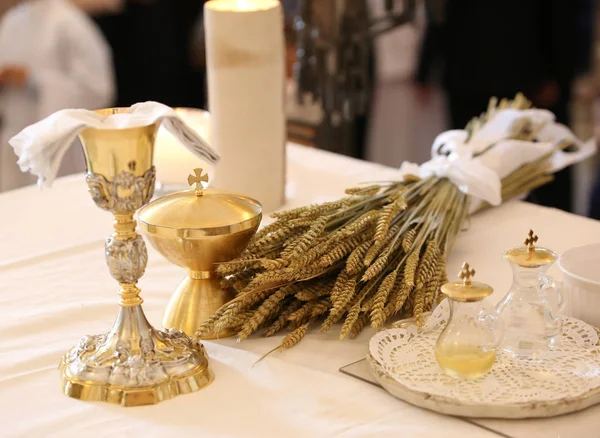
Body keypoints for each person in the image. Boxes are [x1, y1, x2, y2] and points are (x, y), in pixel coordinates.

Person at [416, 0, 580, 212]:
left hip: (525, 76)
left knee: (537, 171)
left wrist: (559, 77)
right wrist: (426, 66)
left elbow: (560, 15)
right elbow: (442, 11)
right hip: (466, 72)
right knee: (468, 169)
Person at [0, 0, 114, 192]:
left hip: (56, 143)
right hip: (14, 136)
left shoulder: (67, 21)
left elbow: (96, 87)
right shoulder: (11, 21)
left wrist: (32, 79)